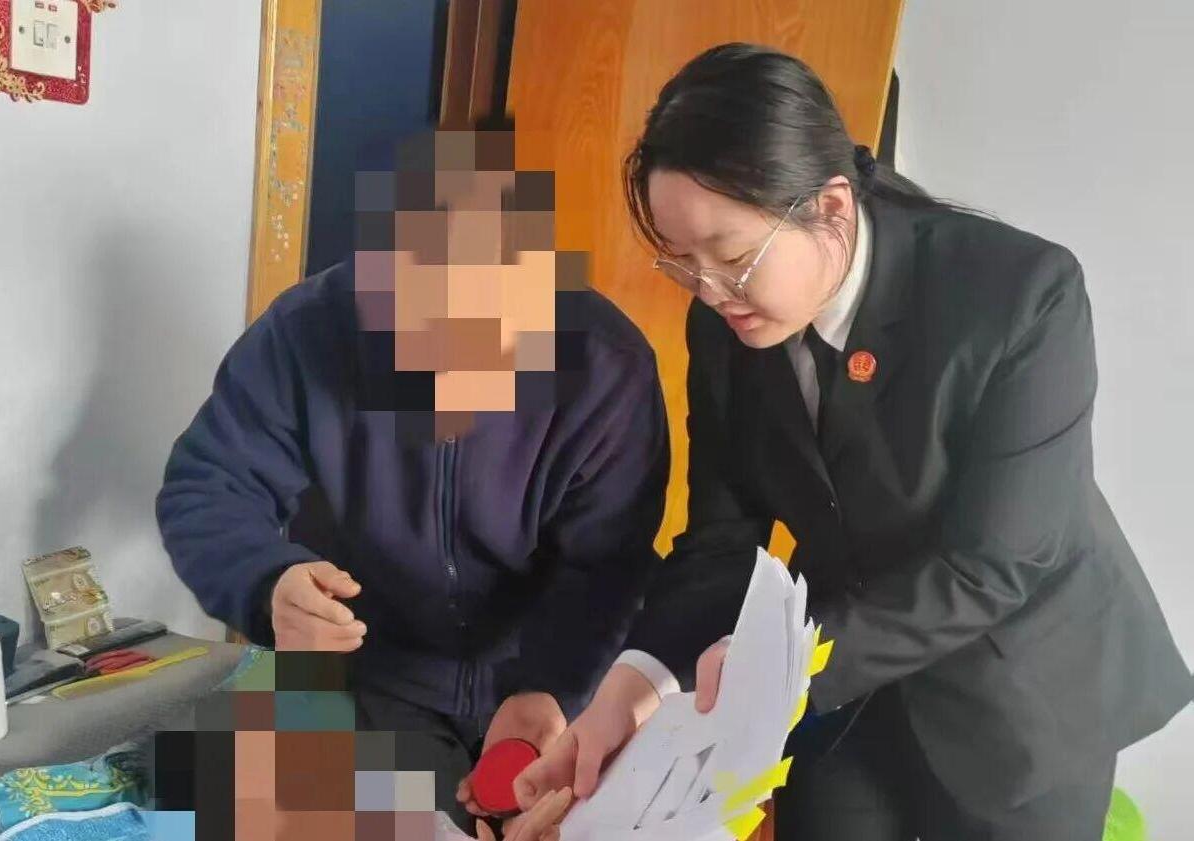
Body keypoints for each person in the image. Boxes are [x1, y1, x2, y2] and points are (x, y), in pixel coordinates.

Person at [509, 43, 1193, 841]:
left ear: (831, 207)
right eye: (683, 264)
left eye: (732, 257)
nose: (711, 291)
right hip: (843, 696)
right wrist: (629, 687)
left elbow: (992, 564)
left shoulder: (1018, 295)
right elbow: (721, 543)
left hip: (1017, 690)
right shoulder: (724, 323)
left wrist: (780, 666)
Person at [155, 126, 669, 832]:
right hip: (379, 675)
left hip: (557, 680)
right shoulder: (305, 332)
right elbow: (208, 486)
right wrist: (267, 582)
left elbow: (608, 567)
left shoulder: (608, 365)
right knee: (209, 786)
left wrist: (550, 688)